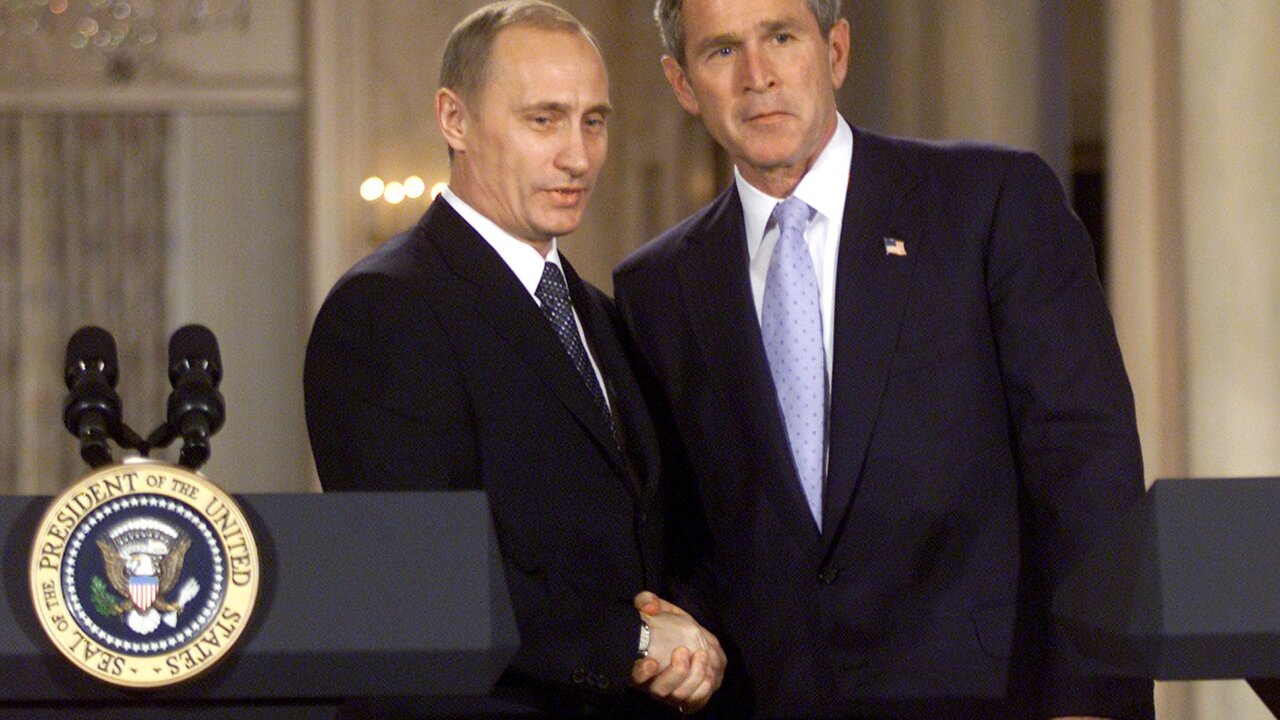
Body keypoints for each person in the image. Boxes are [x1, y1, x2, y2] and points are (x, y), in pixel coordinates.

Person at [612, 0, 1154, 718]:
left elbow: (1088, 467)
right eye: (721, 51)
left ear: (835, 51)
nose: (757, 75)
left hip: (988, 700)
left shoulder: (989, 201)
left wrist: (1098, 699)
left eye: (782, 37)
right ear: (683, 84)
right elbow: (684, 529)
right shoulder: (656, 287)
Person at [304, 1, 723, 715]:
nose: (578, 156)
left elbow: (649, 529)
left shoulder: (599, 312)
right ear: (454, 119)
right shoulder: (385, 307)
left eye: (594, 121)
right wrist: (634, 643)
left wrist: (685, 644)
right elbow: (422, 578)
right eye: (543, 119)